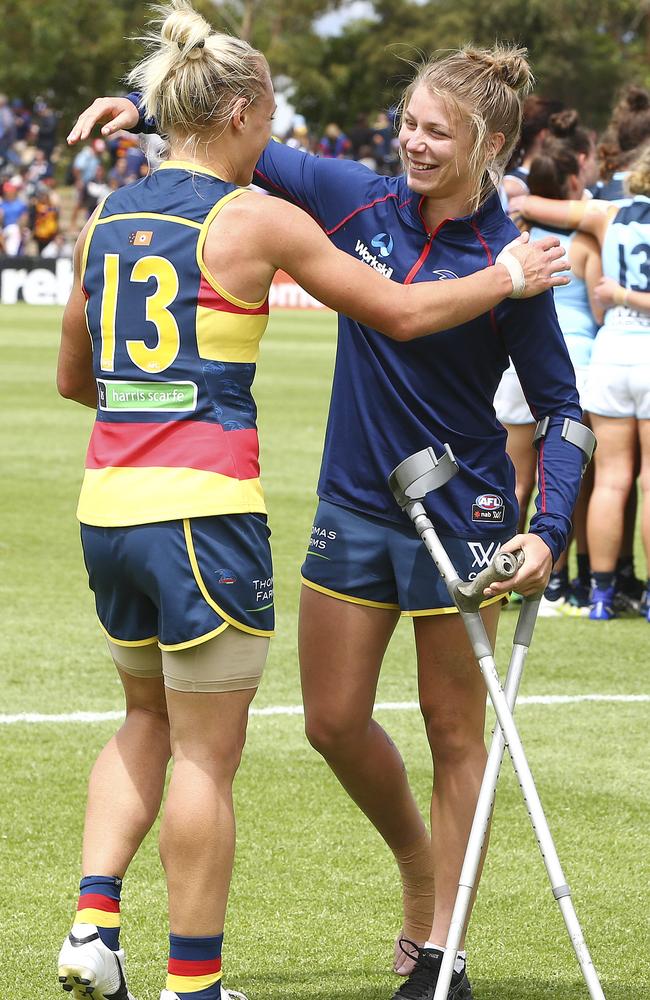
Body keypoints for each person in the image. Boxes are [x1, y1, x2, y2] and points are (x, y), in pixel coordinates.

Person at [59, 9, 569, 1000]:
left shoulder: (515, 254)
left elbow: (559, 407)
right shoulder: (349, 197)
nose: (412, 143)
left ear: (487, 145)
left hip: (460, 514)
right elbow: (230, 140)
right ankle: (408, 877)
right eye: (407, 123)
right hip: (343, 505)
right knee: (329, 723)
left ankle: (441, 951)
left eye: (435, 131)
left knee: (451, 730)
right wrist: (142, 99)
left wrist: (545, 531)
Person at [512, 143, 650, 623]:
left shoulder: (607, 214)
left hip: (613, 348)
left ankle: (599, 596)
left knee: (607, 480)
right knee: (646, 482)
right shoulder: (596, 224)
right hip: (627, 351)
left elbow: (527, 202)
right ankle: (640, 594)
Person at [497, 116, 603, 615]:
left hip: (516, 366)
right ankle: (556, 580)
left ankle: (500, 568)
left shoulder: (516, 239)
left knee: (515, 478)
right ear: (572, 188)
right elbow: (599, 309)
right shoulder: (584, 244)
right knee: (565, 480)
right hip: (572, 366)